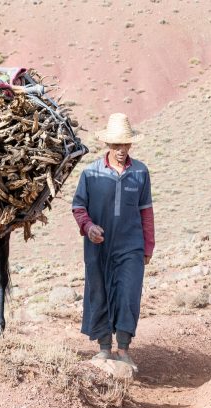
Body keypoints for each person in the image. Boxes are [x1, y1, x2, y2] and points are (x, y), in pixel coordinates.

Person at [71, 113, 155, 371]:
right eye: (117, 145)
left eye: (126, 145)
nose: (122, 150)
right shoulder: (91, 174)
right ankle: (104, 348)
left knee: (128, 292)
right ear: (107, 145)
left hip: (131, 244)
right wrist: (88, 226)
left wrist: (148, 245)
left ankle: (124, 349)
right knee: (100, 291)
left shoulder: (140, 172)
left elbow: (146, 211)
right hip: (99, 245)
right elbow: (78, 207)